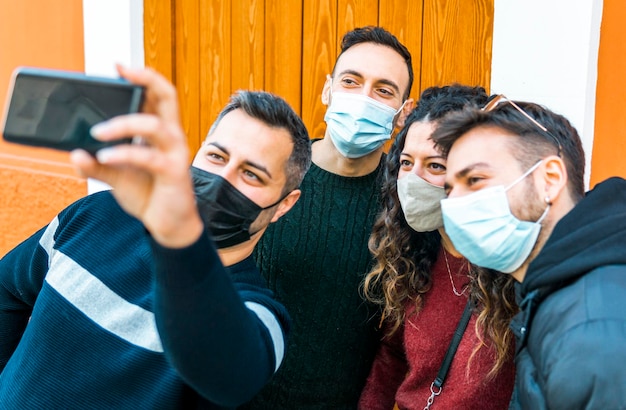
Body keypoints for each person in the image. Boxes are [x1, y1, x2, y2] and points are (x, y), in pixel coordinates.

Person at [0, 66, 312, 409]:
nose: (222, 179)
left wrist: (176, 234)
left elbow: (230, 376)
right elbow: (6, 289)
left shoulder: (259, 314)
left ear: (284, 205)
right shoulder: (96, 214)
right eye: (216, 156)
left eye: (251, 174)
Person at [244, 26, 415, 408]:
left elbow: (398, 339)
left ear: (403, 113)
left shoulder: (406, 204)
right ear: (328, 90)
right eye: (350, 82)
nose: (363, 98)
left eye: (383, 90)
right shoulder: (268, 177)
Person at [432, 95, 626, 409]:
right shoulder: (555, 291)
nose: (455, 204)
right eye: (450, 189)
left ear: (549, 179)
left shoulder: (593, 325)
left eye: (475, 180)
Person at [358, 85, 516, 410]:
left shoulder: (517, 265)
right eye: (405, 163)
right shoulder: (409, 258)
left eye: (435, 166)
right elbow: (391, 358)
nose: (412, 179)